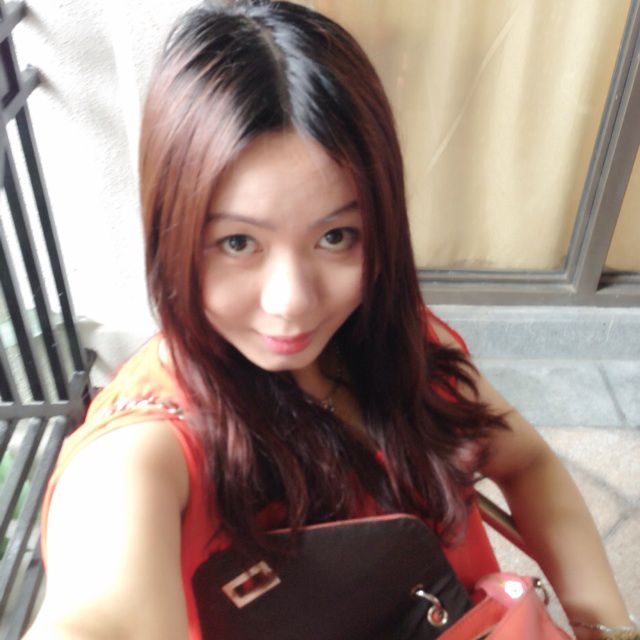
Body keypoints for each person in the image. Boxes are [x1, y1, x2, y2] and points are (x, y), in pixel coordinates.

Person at [25, 1, 634, 639]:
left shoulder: (390, 340)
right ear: (170, 231)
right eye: (238, 242)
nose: (291, 301)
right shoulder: (143, 456)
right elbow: (97, 617)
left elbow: (525, 462)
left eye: (335, 236)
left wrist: (606, 626)